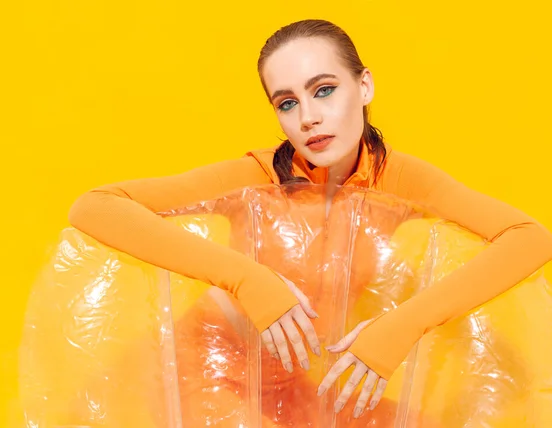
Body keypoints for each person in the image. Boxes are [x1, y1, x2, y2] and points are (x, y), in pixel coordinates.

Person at [68, 18, 552, 420]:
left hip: (304, 383)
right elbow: (96, 206)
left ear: (364, 86)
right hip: (213, 370)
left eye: (324, 90)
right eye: (287, 102)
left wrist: (404, 326)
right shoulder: (255, 175)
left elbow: (530, 238)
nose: (308, 118)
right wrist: (246, 279)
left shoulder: (399, 179)